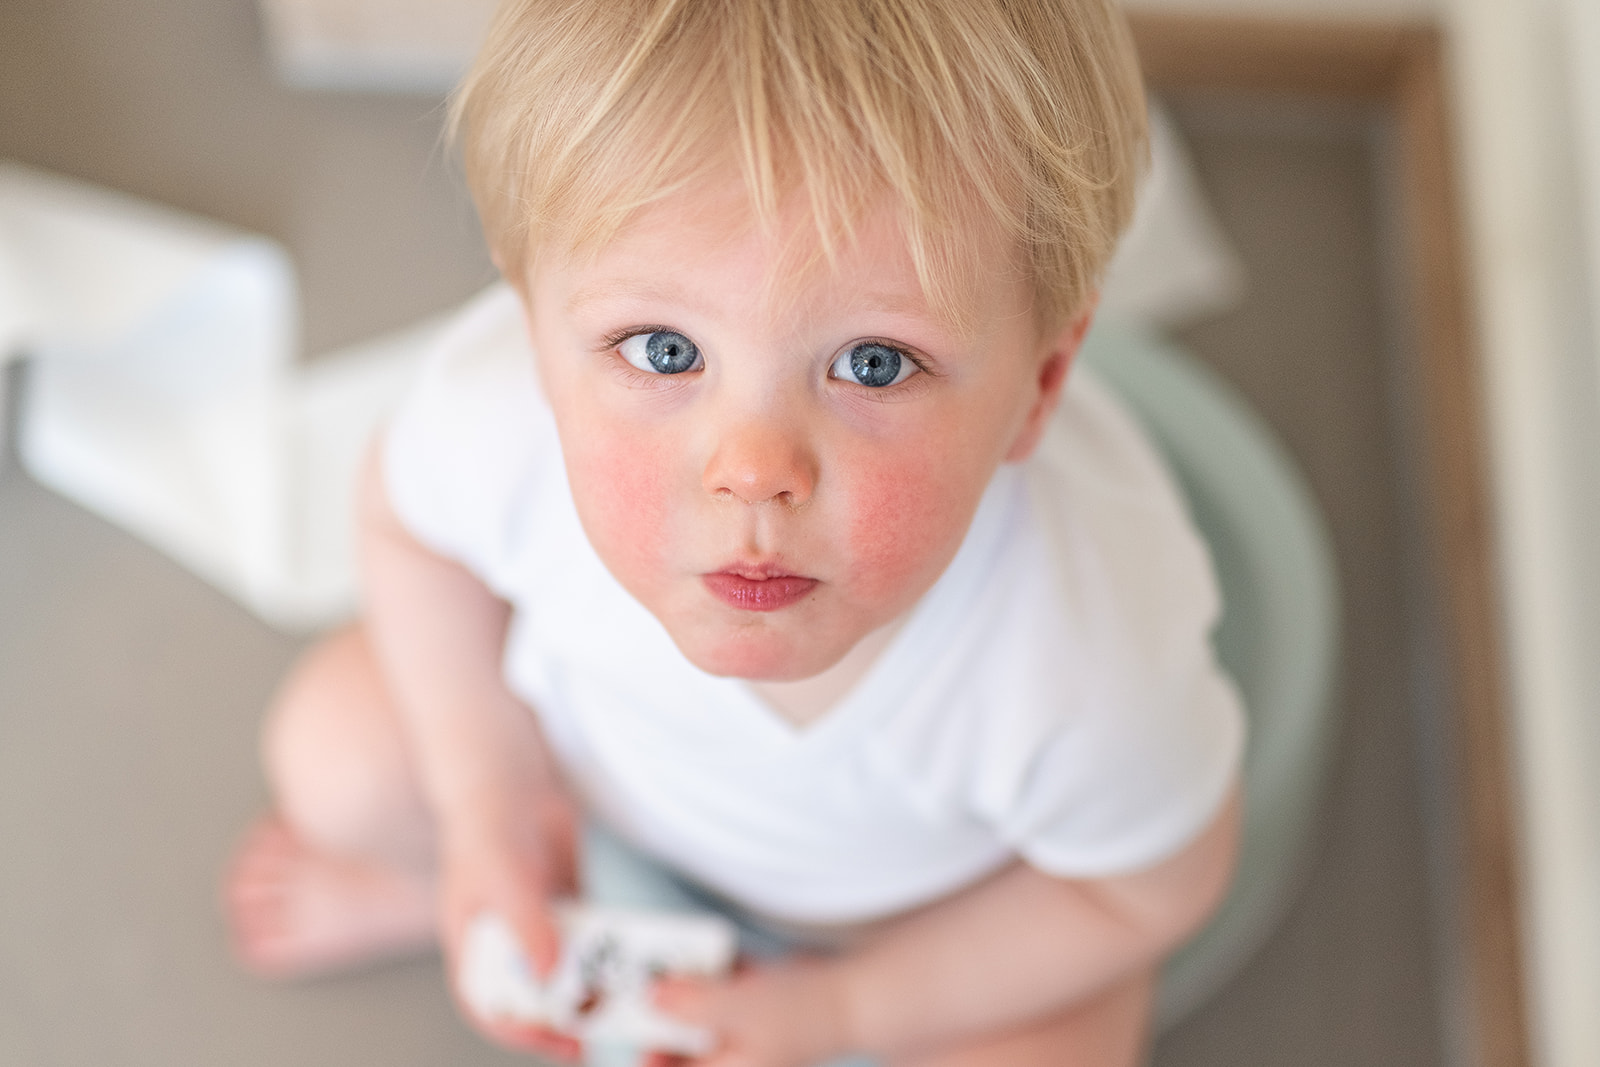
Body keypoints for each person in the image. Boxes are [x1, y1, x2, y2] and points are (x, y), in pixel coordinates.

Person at [224, 1, 1245, 1064]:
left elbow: (1142, 890)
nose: (752, 472)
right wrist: (485, 798)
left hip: (906, 909)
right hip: (586, 777)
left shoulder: (1086, 660)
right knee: (336, 753)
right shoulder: (495, 422)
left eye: (873, 363)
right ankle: (446, 880)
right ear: (533, 325)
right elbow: (407, 528)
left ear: (1038, 385)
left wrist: (847, 1010)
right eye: (664, 350)